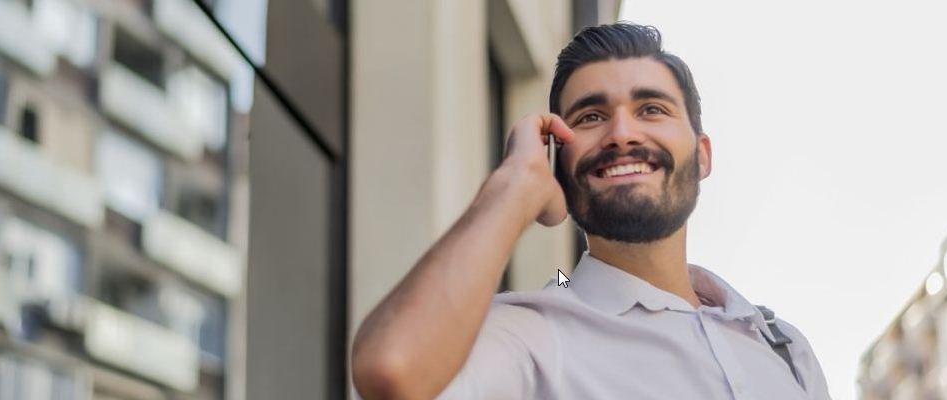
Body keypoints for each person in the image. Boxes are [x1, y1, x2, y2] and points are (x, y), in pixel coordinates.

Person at [352, 22, 831, 400]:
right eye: (591, 117)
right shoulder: (531, 336)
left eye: (651, 110)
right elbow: (391, 369)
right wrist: (513, 188)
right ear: (558, 162)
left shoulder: (782, 346)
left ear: (702, 155)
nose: (622, 133)